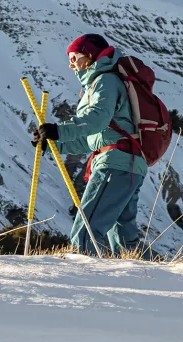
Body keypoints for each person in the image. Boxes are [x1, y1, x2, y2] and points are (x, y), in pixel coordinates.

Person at [31, 33, 148, 256]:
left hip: (115, 163)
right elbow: (91, 139)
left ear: (91, 55)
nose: (71, 64)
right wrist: (55, 144)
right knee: (124, 242)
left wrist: (59, 130)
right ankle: (150, 282)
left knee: (86, 230)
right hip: (128, 162)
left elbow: (96, 119)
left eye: (75, 57)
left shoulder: (105, 81)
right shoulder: (99, 83)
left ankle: (81, 279)